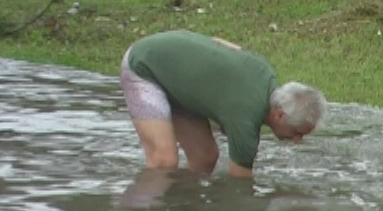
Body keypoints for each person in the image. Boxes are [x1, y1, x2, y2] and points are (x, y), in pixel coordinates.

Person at [119, 30, 326, 178]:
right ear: (279, 115)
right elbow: (240, 191)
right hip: (144, 66)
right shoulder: (245, 121)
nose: (298, 140)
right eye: (298, 132)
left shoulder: (266, 73)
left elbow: (222, 43)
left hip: (179, 77)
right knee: (163, 161)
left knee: (205, 158)